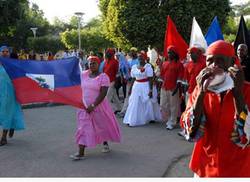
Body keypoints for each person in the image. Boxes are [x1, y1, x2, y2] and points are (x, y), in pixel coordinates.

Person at [180, 40, 250, 177]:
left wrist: (237, 93)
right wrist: (200, 92)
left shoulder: (247, 90)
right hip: (205, 166)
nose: (214, 66)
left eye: (220, 61)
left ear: (232, 62)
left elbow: (247, 134)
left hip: (239, 169)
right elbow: (190, 129)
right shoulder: (200, 90)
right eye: (210, 61)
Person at [70, 56, 121, 160]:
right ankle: (81, 152)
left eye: (94, 63)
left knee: (102, 125)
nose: (91, 65)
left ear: (98, 64)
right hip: (83, 107)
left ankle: (105, 141)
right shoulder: (83, 75)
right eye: (89, 63)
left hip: (98, 107)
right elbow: (73, 81)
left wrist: (93, 106)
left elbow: (103, 93)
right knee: (83, 128)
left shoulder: (103, 77)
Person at [123, 52, 162, 126]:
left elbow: (150, 79)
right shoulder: (134, 67)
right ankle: (132, 119)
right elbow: (133, 79)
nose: (140, 58)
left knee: (147, 101)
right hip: (136, 86)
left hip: (145, 85)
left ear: (145, 58)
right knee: (135, 102)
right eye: (139, 57)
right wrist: (130, 89)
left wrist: (150, 90)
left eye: (141, 57)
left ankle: (149, 117)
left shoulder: (148, 67)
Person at [0, 46, 25, 146]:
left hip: (10, 93)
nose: (5, 53)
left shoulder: (12, 65)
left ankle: (3, 138)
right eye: (3, 51)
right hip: (1, 92)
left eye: (7, 51)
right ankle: (11, 126)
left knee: (6, 112)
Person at [160, 45, 184, 130]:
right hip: (164, 87)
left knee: (173, 106)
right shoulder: (164, 63)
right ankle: (169, 119)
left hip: (173, 88)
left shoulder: (179, 64)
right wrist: (160, 87)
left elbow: (180, 77)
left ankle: (172, 122)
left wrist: (176, 88)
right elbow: (162, 76)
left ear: (175, 53)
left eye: (171, 52)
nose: (169, 54)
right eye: (168, 52)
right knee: (163, 105)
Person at [103, 48, 122, 113]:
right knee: (114, 96)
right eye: (107, 52)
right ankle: (119, 108)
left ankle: (107, 110)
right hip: (106, 81)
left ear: (112, 54)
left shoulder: (115, 62)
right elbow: (104, 70)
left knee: (107, 97)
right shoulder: (106, 61)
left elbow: (117, 72)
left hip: (112, 81)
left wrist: (116, 81)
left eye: (109, 53)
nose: (107, 54)